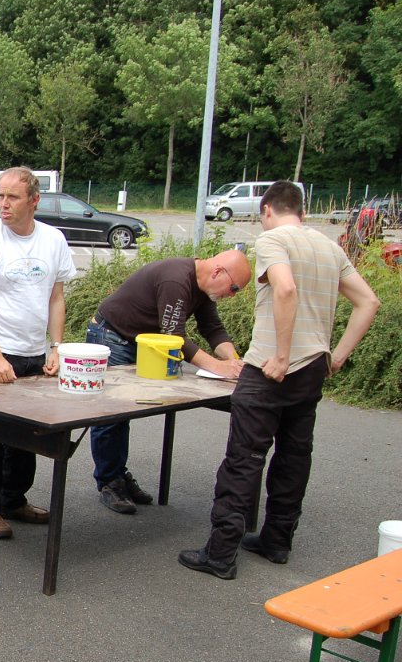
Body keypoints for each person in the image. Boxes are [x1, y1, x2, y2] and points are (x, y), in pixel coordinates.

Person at [180, 181, 380, 580]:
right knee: (294, 457)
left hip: (271, 368)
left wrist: (283, 355)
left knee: (244, 459)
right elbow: (369, 301)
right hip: (312, 370)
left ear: (268, 210)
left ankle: (220, 554)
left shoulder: (272, 241)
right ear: (301, 210)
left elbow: (284, 288)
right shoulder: (329, 247)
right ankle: (276, 541)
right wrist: (336, 355)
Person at [0, 166, 76, 539]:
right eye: (0, 196)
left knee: (28, 436)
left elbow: (56, 298)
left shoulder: (53, 240)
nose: (3, 204)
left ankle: (13, 500)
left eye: (12, 197)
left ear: (34, 200)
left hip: (35, 354)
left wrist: (55, 347)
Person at [87, 249, 250, 513]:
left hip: (143, 342)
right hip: (113, 335)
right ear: (219, 271)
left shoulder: (202, 286)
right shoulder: (176, 280)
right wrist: (219, 367)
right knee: (113, 411)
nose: (232, 295)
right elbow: (174, 336)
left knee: (127, 409)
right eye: (234, 288)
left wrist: (233, 361)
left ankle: (117, 471)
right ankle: (109, 480)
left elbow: (212, 328)